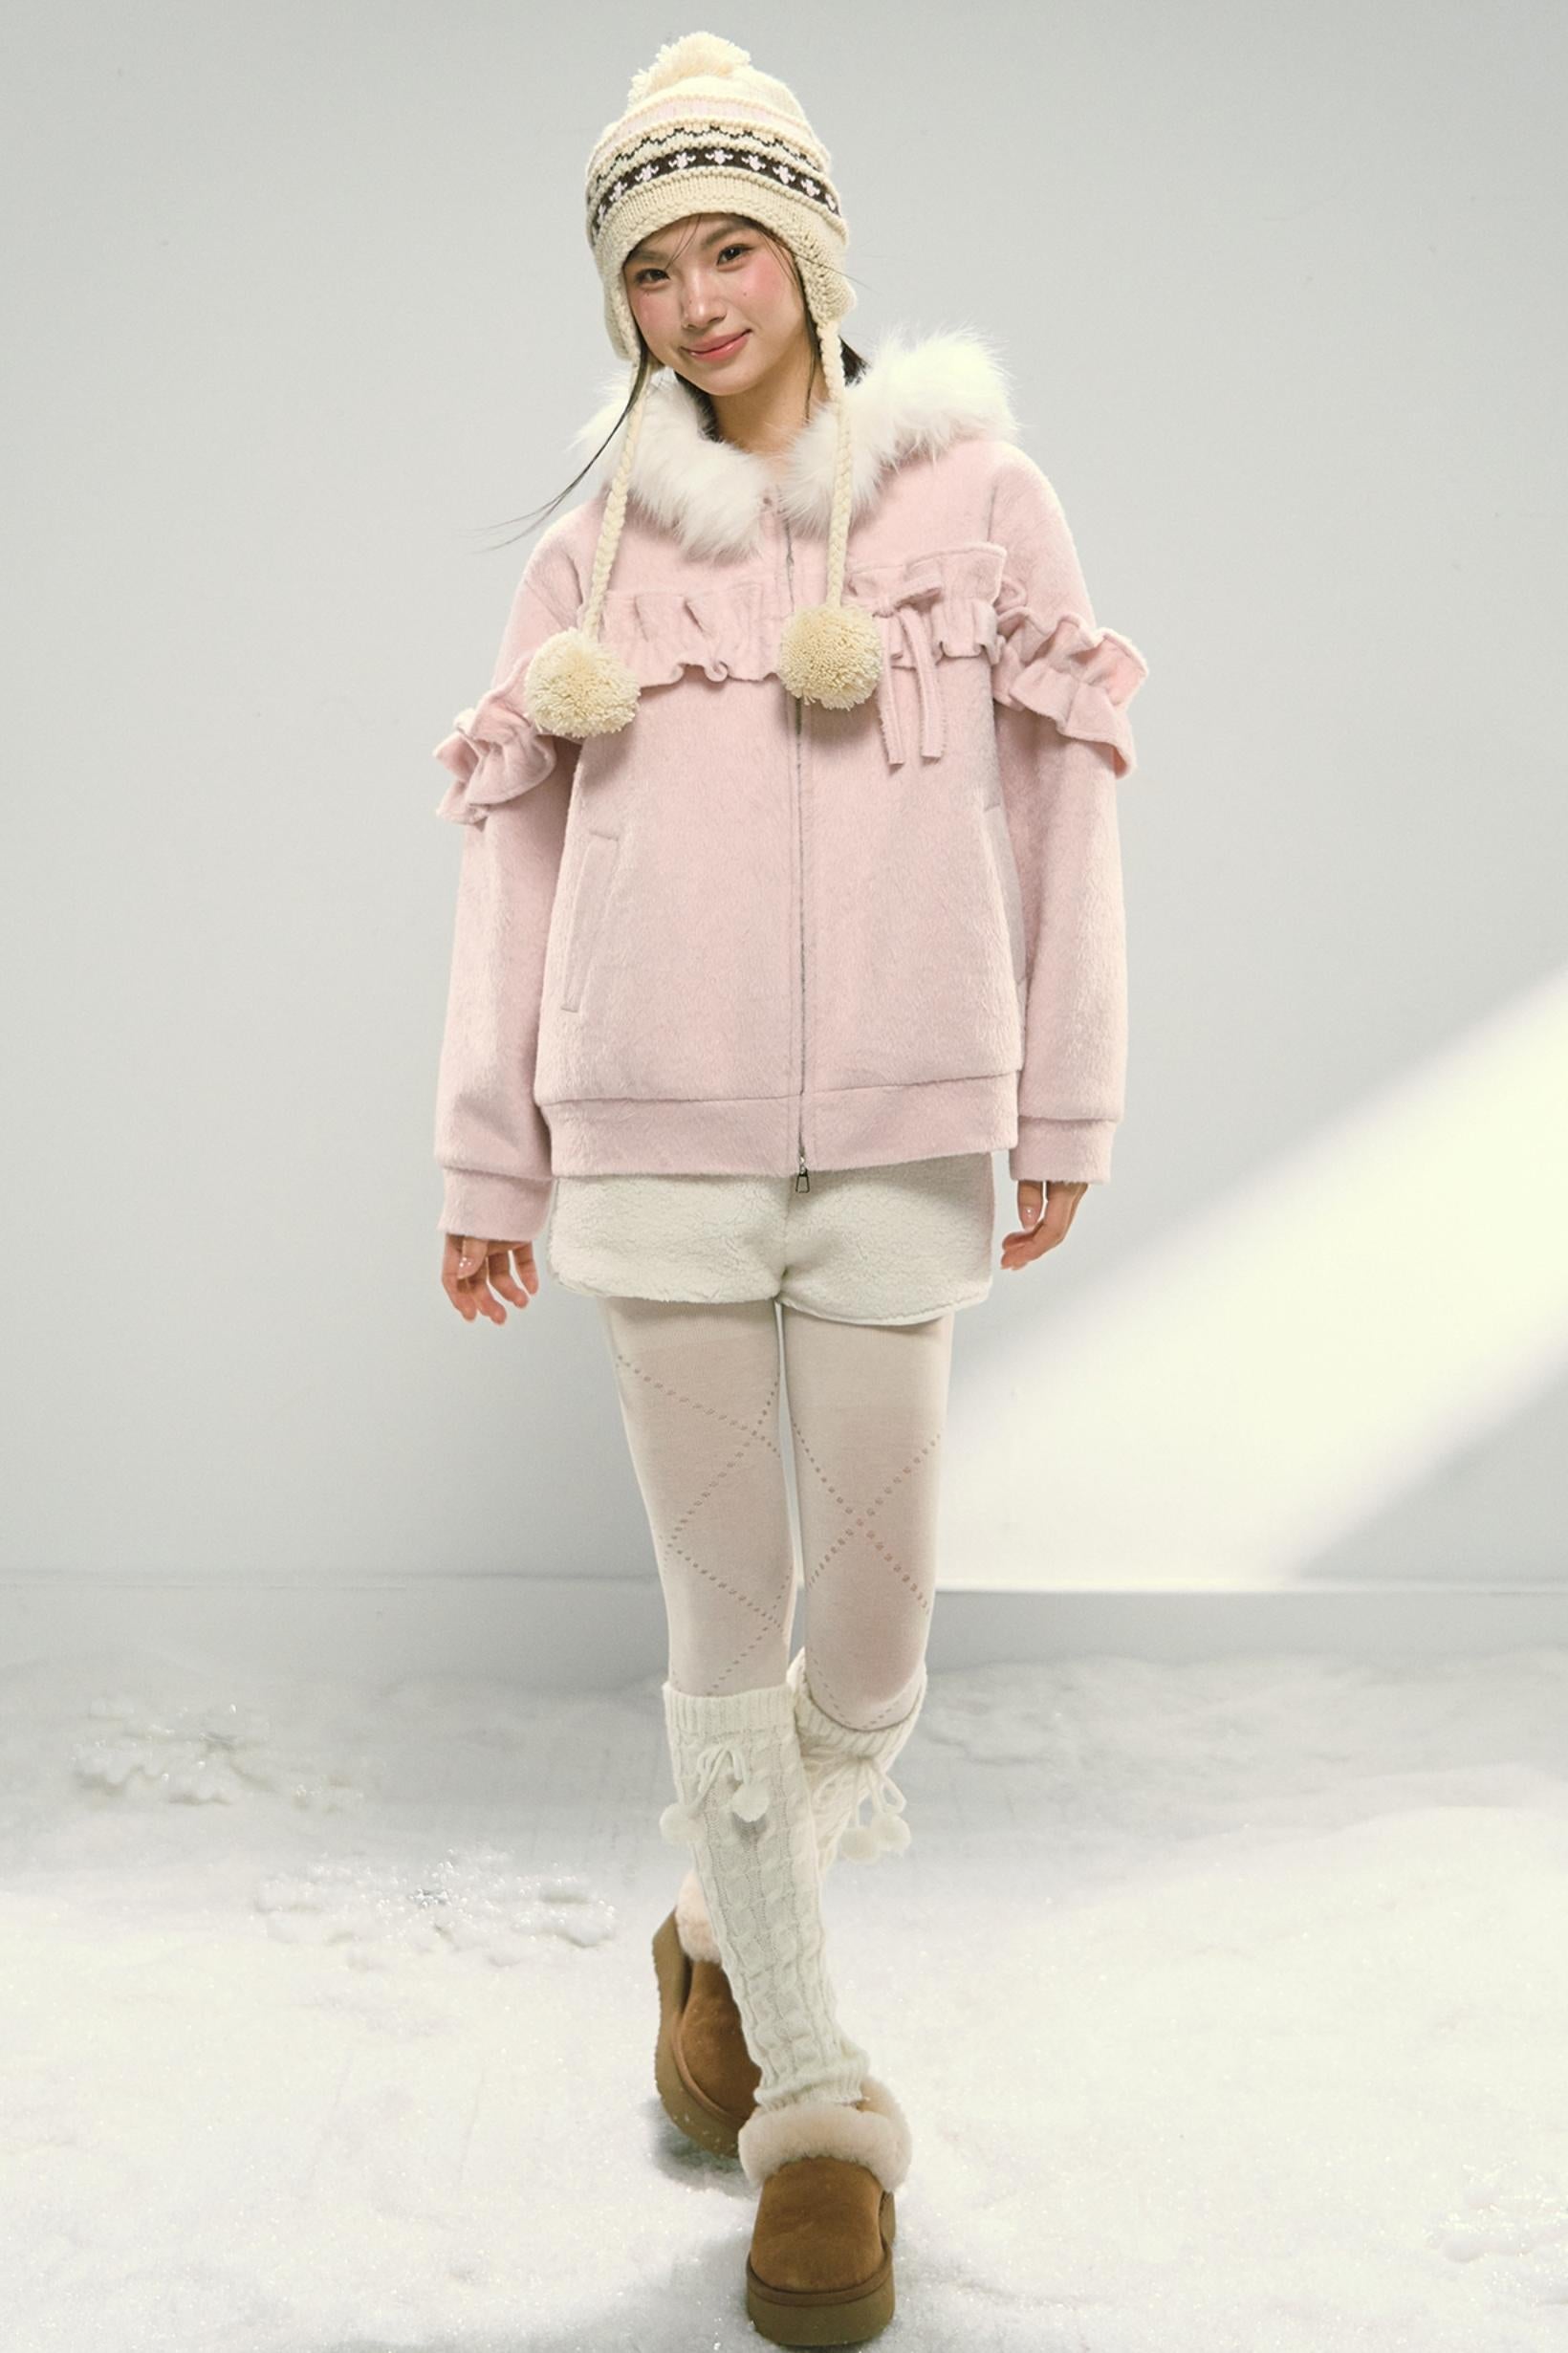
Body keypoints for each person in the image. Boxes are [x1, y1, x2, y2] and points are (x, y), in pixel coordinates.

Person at [428, 31, 1147, 2345]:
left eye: (728, 248)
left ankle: (715, 1932)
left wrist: (1059, 1101)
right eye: (650, 271)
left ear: (812, 253)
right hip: (643, 1134)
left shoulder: (980, 504)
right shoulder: (591, 551)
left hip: (908, 1134)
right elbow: (509, 862)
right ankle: (816, 2116)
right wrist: (490, 1146)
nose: (695, 302)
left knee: (876, 1648)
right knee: (724, 1629)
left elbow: (1062, 812)